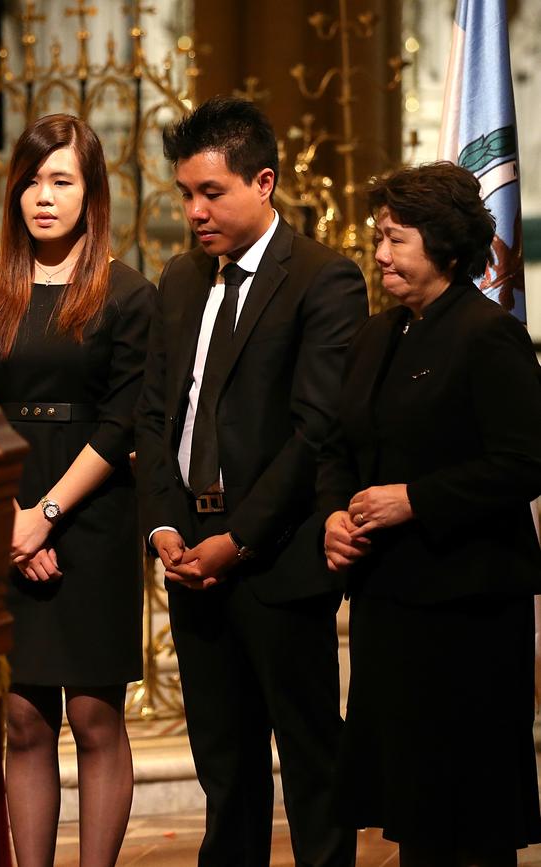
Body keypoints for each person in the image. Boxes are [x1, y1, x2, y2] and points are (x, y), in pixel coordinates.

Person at [135, 96, 368, 867]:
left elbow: (315, 430)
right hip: (190, 548)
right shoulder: (176, 280)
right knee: (224, 768)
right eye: (185, 194)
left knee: (308, 760)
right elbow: (155, 418)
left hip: (276, 554)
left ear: (263, 182)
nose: (194, 210)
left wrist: (238, 538)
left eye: (212, 192)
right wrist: (167, 527)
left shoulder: (321, 279)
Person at [321, 161, 541, 867]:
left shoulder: (487, 333)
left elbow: (524, 460)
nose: (380, 254)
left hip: (468, 614)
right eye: (378, 236)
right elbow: (339, 443)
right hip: (393, 610)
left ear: (445, 244)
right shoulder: (380, 335)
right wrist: (333, 513)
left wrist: (416, 498)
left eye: (396, 238)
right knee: (413, 814)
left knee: (469, 823)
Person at [0, 113, 154, 867]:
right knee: (24, 719)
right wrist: (11, 519)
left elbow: (120, 420)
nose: (43, 195)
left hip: (92, 517)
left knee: (96, 716)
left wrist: (44, 516)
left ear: (90, 194)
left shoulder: (126, 293)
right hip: (8, 511)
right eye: (32, 180)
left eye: (61, 180)